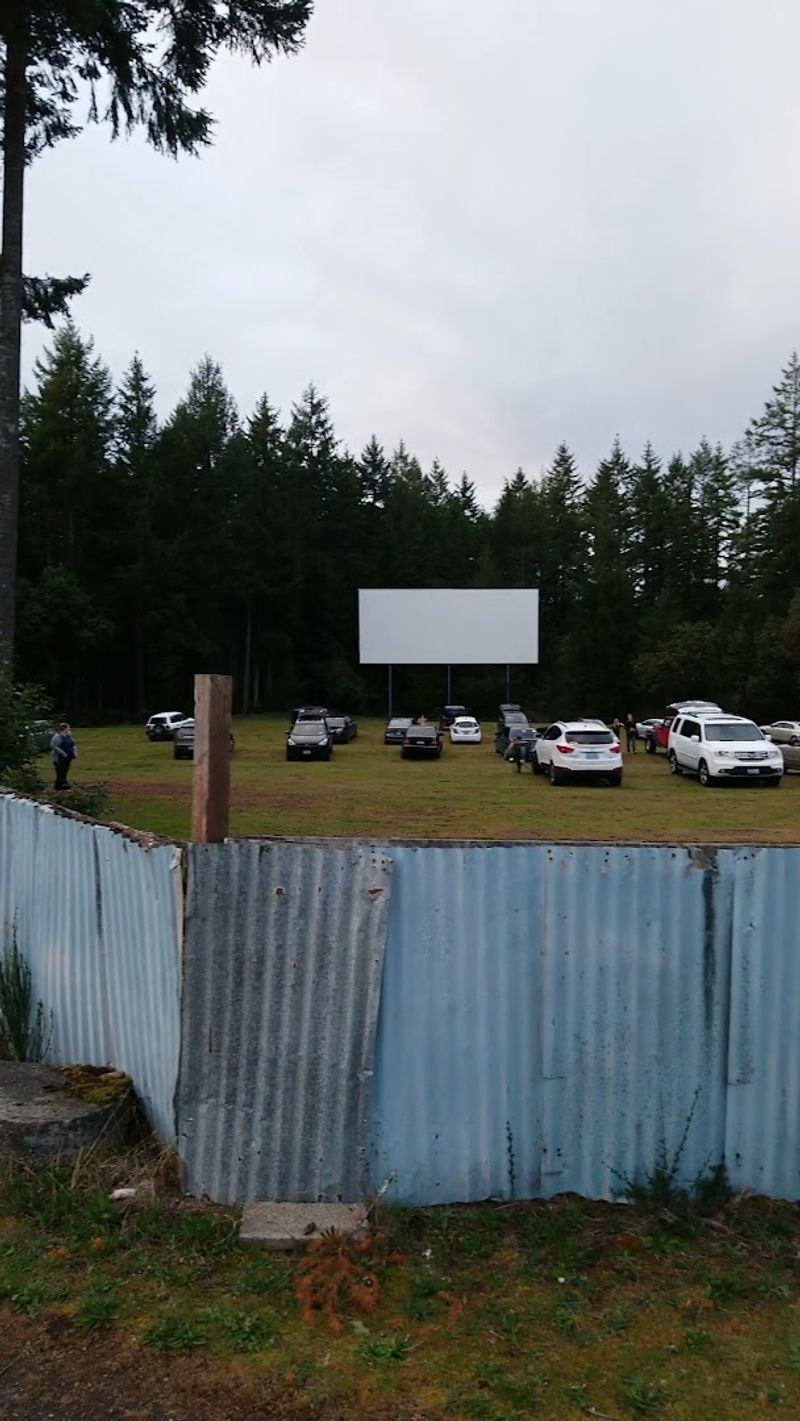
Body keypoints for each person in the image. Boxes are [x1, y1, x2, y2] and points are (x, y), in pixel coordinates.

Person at [51, 723, 77, 791]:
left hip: (68, 757)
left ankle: (63, 785)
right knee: (60, 772)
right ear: (64, 728)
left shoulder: (68, 735)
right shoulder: (57, 736)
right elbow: (54, 746)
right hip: (59, 758)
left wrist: (74, 752)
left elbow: (73, 744)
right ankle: (59, 787)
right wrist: (63, 753)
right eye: (68, 728)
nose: (69, 729)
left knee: (65, 771)